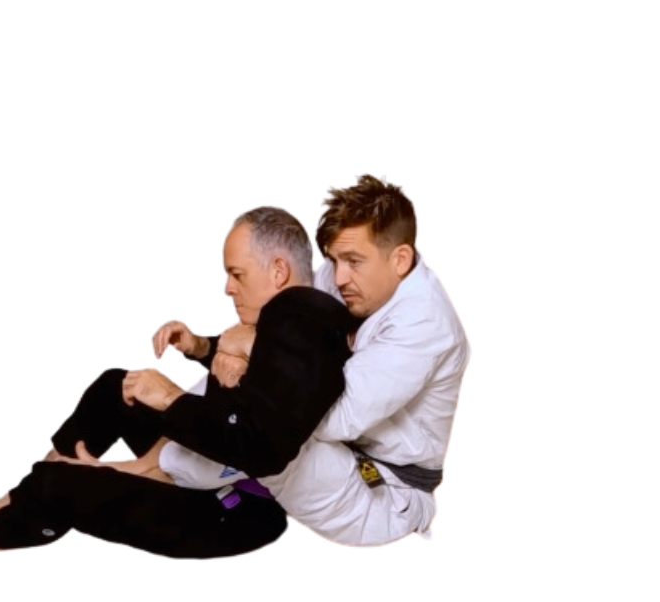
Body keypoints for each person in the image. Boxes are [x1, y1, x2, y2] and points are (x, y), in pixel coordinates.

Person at [0, 205, 356, 558]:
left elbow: (237, 448)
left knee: (63, 485)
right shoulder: (273, 329)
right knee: (117, 387)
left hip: (232, 510)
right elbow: (223, 398)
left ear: (278, 272)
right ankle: (20, 495)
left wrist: (130, 459)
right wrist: (202, 347)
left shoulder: (306, 348)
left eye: (236, 274)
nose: (227, 287)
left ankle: (12, 526)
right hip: (202, 458)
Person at [135, 174, 472, 548]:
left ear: (400, 259)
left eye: (354, 261)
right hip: (341, 454)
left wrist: (253, 358)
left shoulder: (425, 322)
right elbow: (278, 334)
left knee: (270, 430)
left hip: (383, 488)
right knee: (240, 367)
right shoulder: (340, 275)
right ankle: (152, 463)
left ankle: (150, 473)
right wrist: (206, 347)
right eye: (334, 258)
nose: (337, 276)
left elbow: (329, 418)